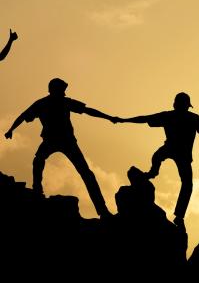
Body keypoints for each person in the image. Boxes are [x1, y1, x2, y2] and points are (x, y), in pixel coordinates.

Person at [116, 92, 199, 226]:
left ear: (175, 104)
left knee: (161, 160)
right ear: (186, 106)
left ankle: (154, 174)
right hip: (180, 153)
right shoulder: (187, 118)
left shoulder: (175, 116)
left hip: (175, 151)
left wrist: (123, 120)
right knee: (185, 183)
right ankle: (178, 214)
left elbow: (145, 119)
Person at [4, 78, 117, 219]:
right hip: (54, 140)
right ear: (55, 90)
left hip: (66, 141)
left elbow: (88, 111)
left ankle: (102, 210)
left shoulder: (57, 102)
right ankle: (37, 190)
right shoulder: (47, 103)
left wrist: (109, 117)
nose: (64, 93)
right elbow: (23, 116)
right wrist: (11, 129)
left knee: (85, 173)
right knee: (39, 161)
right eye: (62, 90)